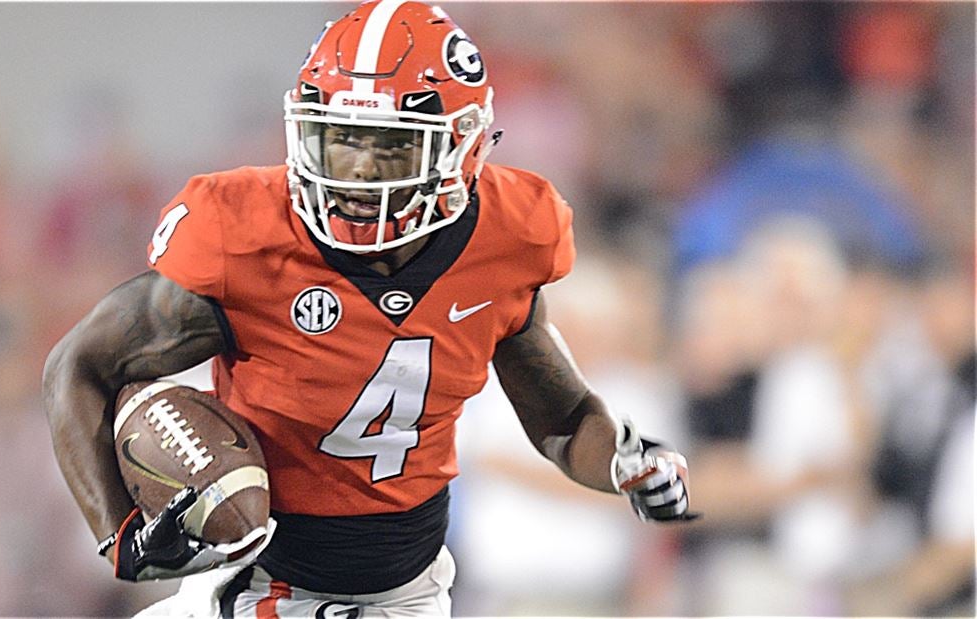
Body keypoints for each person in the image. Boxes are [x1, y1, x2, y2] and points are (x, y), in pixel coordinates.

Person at [43, 1, 696, 616]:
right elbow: (80, 363)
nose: (356, 170)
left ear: (461, 147)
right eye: (340, 139)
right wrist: (119, 534)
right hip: (264, 579)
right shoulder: (247, 236)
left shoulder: (509, 234)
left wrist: (624, 459)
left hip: (411, 589)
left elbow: (561, 415)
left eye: (389, 146)